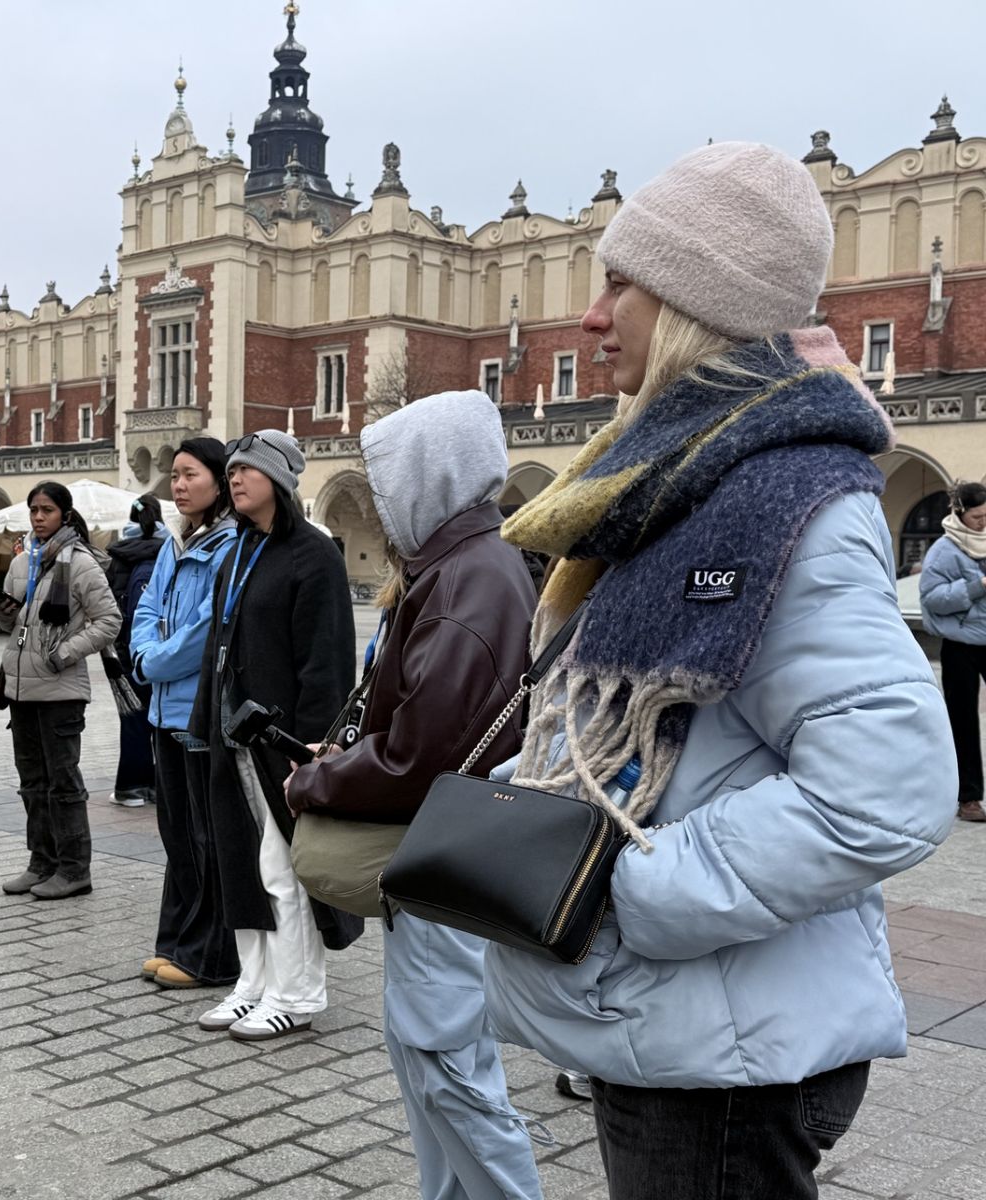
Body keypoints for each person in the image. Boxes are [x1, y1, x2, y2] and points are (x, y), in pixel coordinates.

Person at [484, 143, 955, 1200]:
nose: (590, 318)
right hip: (689, 1028)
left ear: (697, 302)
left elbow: (886, 786)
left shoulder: (786, 501)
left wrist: (629, 893)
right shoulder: (675, 479)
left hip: (723, 1046)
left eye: (619, 285)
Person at [286, 392, 542, 1200]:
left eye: (388, 477)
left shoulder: (470, 579)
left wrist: (318, 778)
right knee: (429, 1066)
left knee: (451, 1071)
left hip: (447, 857)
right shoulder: (463, 569)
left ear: (432, 474)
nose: (379, 498)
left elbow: (421, 754)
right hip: (440, 853)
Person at [191, 429, 361, 1041]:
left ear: (281, 481)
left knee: (285, 868)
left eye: (248, 470)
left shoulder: (313, 555)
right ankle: (254, 984)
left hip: (285, 742)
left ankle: (298, 992)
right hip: (235, 734)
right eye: (232, 470)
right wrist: (205, 722)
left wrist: (315, 747)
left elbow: (327, 662)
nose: (234, 478)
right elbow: (220, 644)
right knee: (241, 860)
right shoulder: (238, 550)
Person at [130, 439, 241, 990]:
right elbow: (147, 605)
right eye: (173, 475)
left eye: (189, 475)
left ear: (219, 482)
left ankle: (212, 956)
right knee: (176, 834)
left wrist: (154, 662)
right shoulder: (174, 542)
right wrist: (148, 654)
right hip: (162, 710)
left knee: (206, 838)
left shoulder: (229, 546)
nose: (177, 485)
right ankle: (174, 941)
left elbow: (206, 627)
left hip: (200, 711)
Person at [0, 481, 122, 901]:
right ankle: (41, 862)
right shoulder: (22, 563)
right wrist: (4, 617)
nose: (37, 517)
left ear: (64, 516)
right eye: (33, 509)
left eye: (47, 510)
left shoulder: (80, 562)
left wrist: (62, 653)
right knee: (32, 783)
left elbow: (109, 620)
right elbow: (18, 623)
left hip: (60, 691)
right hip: (21, 690)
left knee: (63, 784)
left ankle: (74, 869)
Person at [920, 481, 986, 823]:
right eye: (977, 516)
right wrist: (978, 586)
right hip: (960, 644)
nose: (983, 522)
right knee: (962, 722)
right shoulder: (945, 551)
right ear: (960, 514)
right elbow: (932, 599)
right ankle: (968, 798)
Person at [106, 494, 166, 806]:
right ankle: (158, 786)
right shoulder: (170, 552)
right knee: (160, 717)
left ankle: (131, 788)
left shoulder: (119, 556)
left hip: (125, 652)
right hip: (164, 651)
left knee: (132, 718)